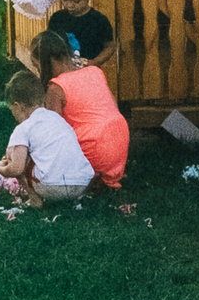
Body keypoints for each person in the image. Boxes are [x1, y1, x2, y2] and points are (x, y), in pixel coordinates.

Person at [27, 30, 127, 188]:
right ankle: (106, 173)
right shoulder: (95, 72)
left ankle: (88, 174)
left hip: (93, 150)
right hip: (118, 146)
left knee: (33, 169)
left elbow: (53, 133)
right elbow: (113, 108)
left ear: (45, 61)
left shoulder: (56, 87)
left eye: (36, 66)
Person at [0, 70, 94, 205]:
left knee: (15, 155)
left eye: (12, 110)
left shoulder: (23, 129)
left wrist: (1, 168)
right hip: (82, 183)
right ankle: (72, 200)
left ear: (18, 106)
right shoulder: (59, 119)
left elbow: (16, 169)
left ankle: (35, 199)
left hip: (52, 187)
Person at [46, 0, 115, 88]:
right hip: (63, 78)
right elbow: (48, 46)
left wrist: (94, 62)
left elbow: (109, 47)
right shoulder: (57, 19)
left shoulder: (99, 21)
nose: (70, 5)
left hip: (89, 78)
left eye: (77, 1)